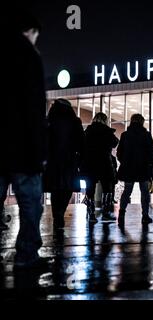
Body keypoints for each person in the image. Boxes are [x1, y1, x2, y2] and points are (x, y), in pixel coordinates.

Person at [0, 12, 48, 269]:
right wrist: (39, 148)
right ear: (30, 31)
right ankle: (27, 255)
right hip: (22, 147)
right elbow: (34, 107)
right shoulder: (29, 57)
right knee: (31, 205)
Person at [43, 99, 84, 230]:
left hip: (53, 161)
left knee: (55, 189)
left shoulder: (49, 122)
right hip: (69, 160)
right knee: (67, 188)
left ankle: (57, 215)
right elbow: (81, 142)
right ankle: (60, 212)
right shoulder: (75, 122)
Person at [117, 114, 153, 225]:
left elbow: (119, 153)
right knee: (144, 192)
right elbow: (152, 153)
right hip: (143, 168)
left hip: (128, 168)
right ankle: (145, 215)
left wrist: (124, 162)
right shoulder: (146, 135)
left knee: (127, 191)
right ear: (142, 122)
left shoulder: (125, 135)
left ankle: (121, 213)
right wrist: (149, 164)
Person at [81, 112, 119, 223]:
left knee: (90, 189)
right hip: (104, 162)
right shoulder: (107, 131)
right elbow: (115, 143)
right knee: (107, 188)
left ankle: (91, 214)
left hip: (89, 163)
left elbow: (82, 145)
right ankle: (106, 213)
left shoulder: (88, 131)